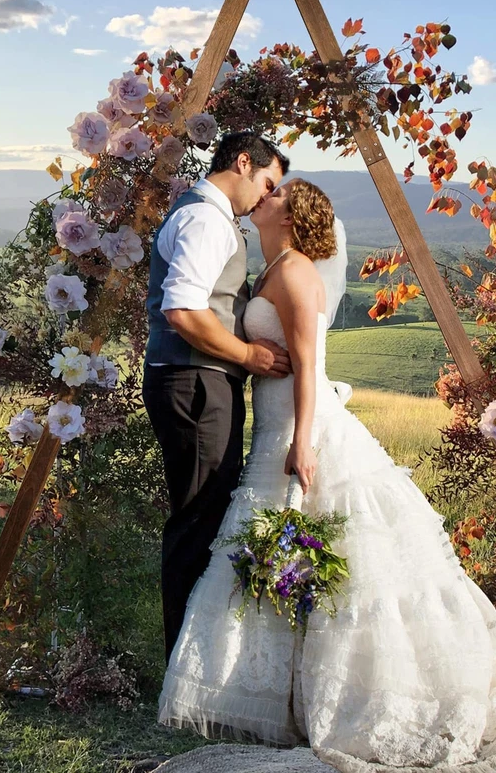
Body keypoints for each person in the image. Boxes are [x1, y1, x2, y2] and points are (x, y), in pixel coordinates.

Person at [158, 179, 496, 772]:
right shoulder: (272, 266)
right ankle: (278, 698)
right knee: (278, 554)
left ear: (293, 214)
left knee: (332, 559)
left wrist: (303, 441)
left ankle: (359, 694)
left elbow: (309, 366)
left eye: (277, 195)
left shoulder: (296, 272)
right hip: (274, 426)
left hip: (300, 430)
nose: (265, 196)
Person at [143, 132, 292, 663]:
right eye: (268, 183)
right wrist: (249, 356)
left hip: (193, 380)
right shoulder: (207, 220)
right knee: (199, 518)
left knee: (203, 512)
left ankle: (192, 658)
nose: (266, 198)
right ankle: (185, 665)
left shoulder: (205, 215)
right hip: (195, 382)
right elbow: (182, 311)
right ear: (244, 162)